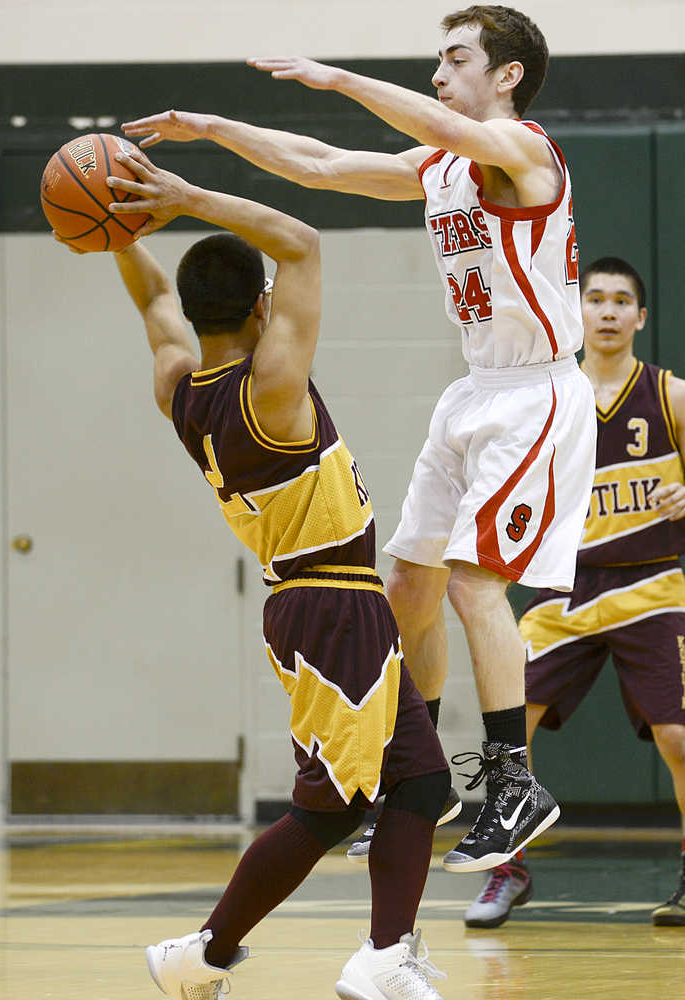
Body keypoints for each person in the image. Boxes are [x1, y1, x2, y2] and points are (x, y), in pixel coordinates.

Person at [120, 4, 596, 873]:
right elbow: (323, 164)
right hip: (474, 391)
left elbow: (443, 122)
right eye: (437, 59)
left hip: (538, 392)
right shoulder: (443, 166)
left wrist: (337, 76)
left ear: (507, 75)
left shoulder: (528, 153)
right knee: (408, 583)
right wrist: (215, 129)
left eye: (454, 59)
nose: (438, 73)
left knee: (472, 586)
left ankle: (515, 777)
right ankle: (420, 779)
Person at [59, 146, 455, 1000]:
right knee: (334, 803)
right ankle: (201, 951)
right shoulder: (272, 390)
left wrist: (122, 228)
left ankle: (384, 957)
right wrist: (188, 196)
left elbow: (160, 299)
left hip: (324, 604)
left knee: (421, 781)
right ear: (263, 307)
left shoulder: (179, 385)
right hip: (332, 604)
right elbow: (303, 242)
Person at [464, 257, 685, 929]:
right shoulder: (550, 399)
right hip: (566, 585)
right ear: (577, 312)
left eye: (623, 301)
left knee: (679, 736)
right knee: (509, 727)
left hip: (653, 581)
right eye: (597, 299)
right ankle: (510, 866)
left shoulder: (670, 395)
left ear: (641, 318)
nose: (610, 311)